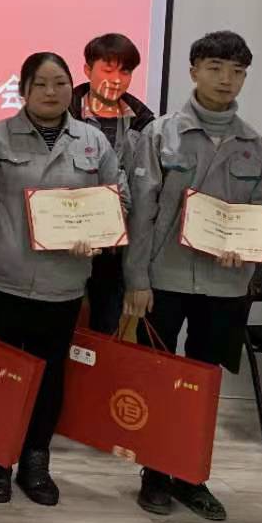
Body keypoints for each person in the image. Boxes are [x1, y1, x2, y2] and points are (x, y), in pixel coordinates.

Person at [0, 52, 123, 507]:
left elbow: (116, 199)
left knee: (50, 377)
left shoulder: (92, 141)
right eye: (41, 83)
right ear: (23, 89)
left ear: (73, 87)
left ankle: (35, 461)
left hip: (63, 282)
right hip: (2, 278)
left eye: (60, 83)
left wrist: (98, 236)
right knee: (1, 376)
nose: (52, 92)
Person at [124, 31, 262, 522]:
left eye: (236, 72)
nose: (225, 79)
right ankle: (154, 473)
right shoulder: (160, 135)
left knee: (204, 383)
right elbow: (141, 214)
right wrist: (136, 279)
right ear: (193, 71)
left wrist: (245, 252)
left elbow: (261, 214)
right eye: (215, 68)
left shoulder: (257, 146)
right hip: (164, 278)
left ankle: (191, 475)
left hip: (224, 283)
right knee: (160, 378)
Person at [71, 33, 156, 335]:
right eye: (107, 70)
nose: (116, 80)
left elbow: (146, 192)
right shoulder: (62, 114)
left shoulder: (145, 123)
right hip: (66, 240)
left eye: (125, 71)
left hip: (116, 248)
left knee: (104, 332)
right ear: (87, 70)